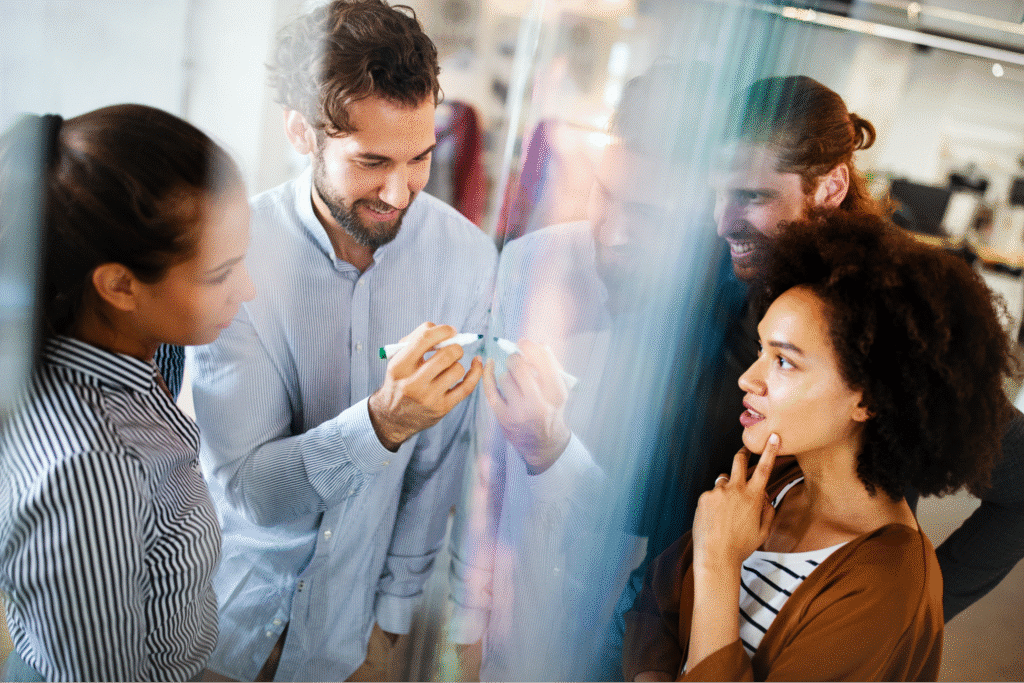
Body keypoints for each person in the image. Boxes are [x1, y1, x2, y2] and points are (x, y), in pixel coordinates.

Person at [187, 1, 497, 680]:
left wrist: (390, 621)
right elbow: (247, 490)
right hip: (221, 627)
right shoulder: (237, 256)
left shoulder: (466, 260)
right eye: (371, 161)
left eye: (420, 158)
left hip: (351, 640)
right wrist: (380, 425)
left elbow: (434, 471)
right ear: (302, 131)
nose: (400, 190)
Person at [623, 210, 1015, 681]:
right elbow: (655, 612)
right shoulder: (775, 483)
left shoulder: (888, 586)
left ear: (867, 397)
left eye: (784, 362)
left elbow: (696, 581)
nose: (749, 378)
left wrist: (718, 564)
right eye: (762, 351)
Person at [448, 63, 739, 682]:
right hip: (510, 619)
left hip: (627, 645)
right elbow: (483, 469)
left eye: (652, 216)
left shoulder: (727, 316)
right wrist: (465, 627)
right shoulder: (534, 264)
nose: (614, 232)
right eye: (607, 196)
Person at [712, 75, 1024, 620]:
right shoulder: (730, 275)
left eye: (753, 195)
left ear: (830, 187)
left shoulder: (886, 313)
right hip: (699, 599)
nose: (721, 222)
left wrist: (914, 611)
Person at [0, 105, 254, 681]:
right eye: (219, 274)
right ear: (119, 285)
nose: (249, 290)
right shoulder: (90, 468)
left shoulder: (140, 351)